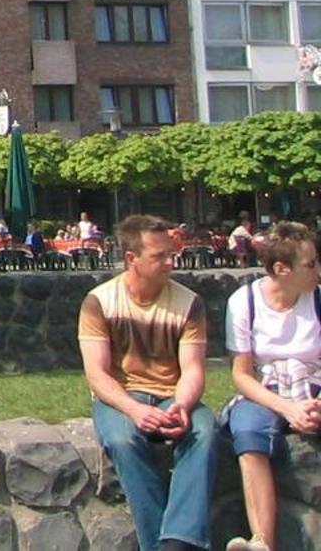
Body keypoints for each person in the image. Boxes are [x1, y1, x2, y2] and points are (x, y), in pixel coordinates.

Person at [78, 215, 217, 551]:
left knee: (204, 431)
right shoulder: (99, 302)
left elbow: (193, 369)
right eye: (160, 257)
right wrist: (135, 410)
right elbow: (97, 374)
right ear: (131, 259)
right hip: (121, 397)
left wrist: (182, 405)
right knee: (123, 440)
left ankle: (177, 540)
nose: (171, 262)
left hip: (173, 394)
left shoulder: (188, 303)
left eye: (171, 254)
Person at [224, 221, 321, 551]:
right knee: (248, 429)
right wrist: (288, 408)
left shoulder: (319, 299)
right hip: (267, 388)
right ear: (281, 269)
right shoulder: (244, 302)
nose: (318, 269)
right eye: (311, 264)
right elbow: (241, 374)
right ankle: (262, 541)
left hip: (314, 386)